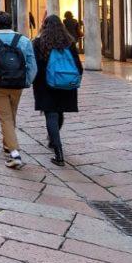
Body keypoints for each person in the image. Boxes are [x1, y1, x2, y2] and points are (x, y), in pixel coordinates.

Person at [0, 11, 38, 169]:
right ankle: (7, 145)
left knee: (5, 117)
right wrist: (27, 81)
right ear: (11, 23)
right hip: (17, 84)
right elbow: (32, 66)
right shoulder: (24, 40)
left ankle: (14, 153)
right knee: (11, 115)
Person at [32, 15, 83, 167]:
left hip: (45, 84)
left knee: (51, 114)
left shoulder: (39, 42)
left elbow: (35, 66)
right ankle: (53, 138)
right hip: (66, 83)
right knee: (59, 112)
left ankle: (58, 152)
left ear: (44, 25)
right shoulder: (69, 42)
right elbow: (78, 65)